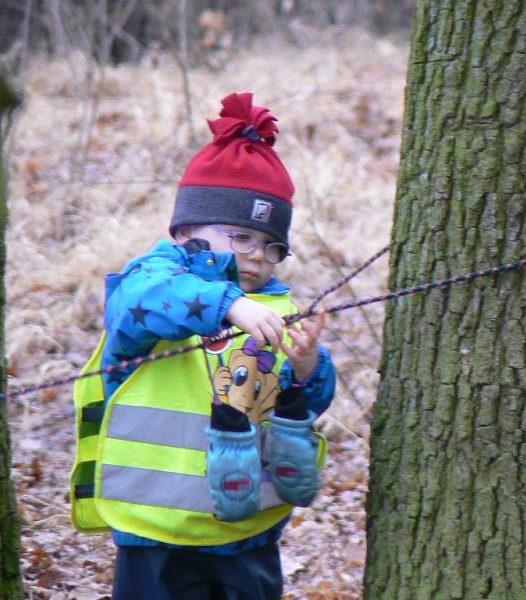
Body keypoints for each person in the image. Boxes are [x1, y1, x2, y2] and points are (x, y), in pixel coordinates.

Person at [69, 92, 336, 600]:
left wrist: (306, 370)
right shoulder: (154, 281)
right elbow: (138, 306)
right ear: (188, 230)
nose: (257, 256)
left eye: (270, 244)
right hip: (154, 533)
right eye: (240, 237)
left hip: (248, 530)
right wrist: (228, 303)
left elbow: (301, 407)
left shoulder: (276, 308)